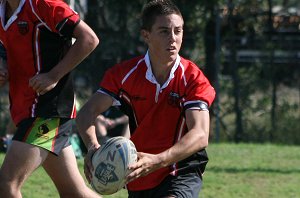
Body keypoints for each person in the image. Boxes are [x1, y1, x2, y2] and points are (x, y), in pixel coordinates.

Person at [76, 0, 215, 197]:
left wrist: (159, 160)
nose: (173, 38)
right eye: (164, 31)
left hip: (180, 171)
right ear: (146, 35)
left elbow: (200, 134)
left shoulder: (192, 78)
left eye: (178, 31)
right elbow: (86, 114)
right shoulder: (124, 75)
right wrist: (92, 148)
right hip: (138, 173)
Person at [0, 0, 101, 197]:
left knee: (6, 185)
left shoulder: (43, 5)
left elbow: (89, 39)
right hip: (28, 110)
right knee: (75, 193)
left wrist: (54, 75)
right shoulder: (3, 11)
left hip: (47, 111)